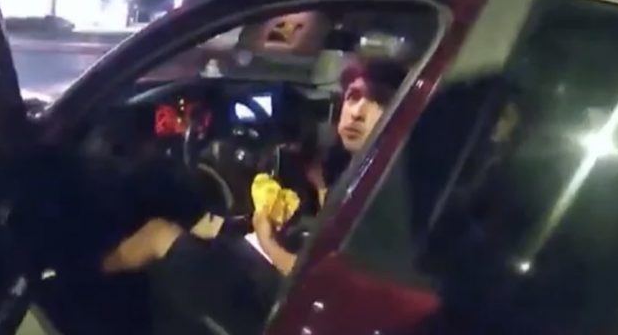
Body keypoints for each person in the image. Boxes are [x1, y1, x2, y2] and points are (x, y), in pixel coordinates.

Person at [101, 55, 407, 276]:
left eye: (377, 101)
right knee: (208, 225)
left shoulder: (388, 191)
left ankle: (72, 290)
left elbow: (320, 279)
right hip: (290, 254)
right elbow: (332, 227)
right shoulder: (362, 168)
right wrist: (317, 185)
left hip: (282, 294)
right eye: (353, 97)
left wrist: (266, 239)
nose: (356, 113)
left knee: (157, 233)